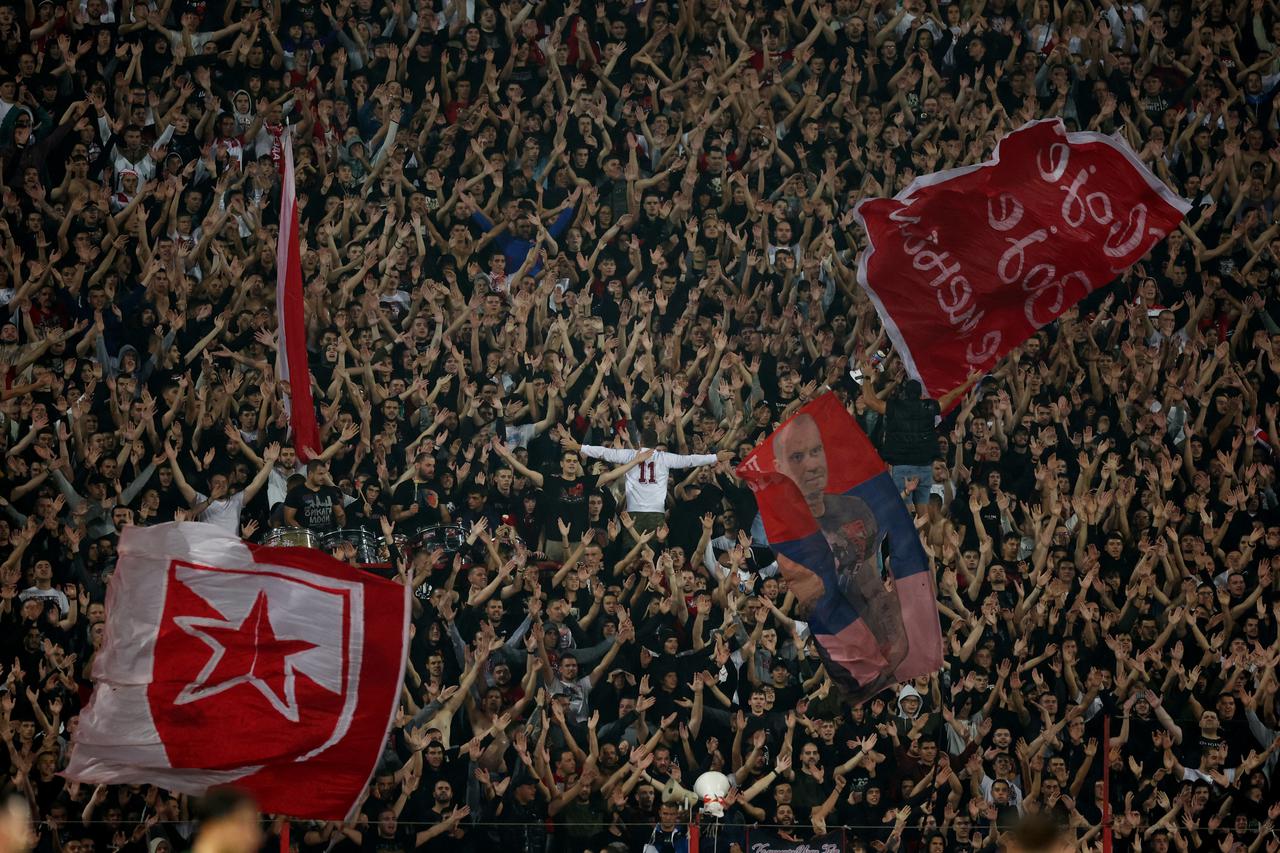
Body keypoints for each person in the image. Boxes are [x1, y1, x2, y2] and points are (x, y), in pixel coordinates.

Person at [283, 459, 346, 534]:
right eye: (320, 474)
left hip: (328, 537)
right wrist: (305, 534)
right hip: (306, 538)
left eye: (325, 474)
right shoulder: (295, 493)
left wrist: (339, 531)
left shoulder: (330, 491)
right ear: (310, 474)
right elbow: (288, 520)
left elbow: (340, 514)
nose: (324, 477)